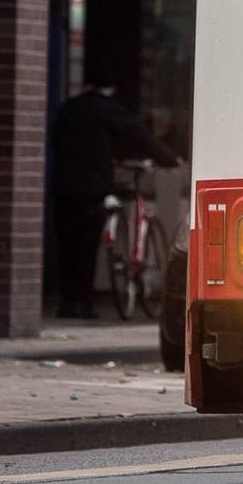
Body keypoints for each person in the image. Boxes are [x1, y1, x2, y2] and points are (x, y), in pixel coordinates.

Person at [50, 80, 179, 320]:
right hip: (92, 187)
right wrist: (169, 158)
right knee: (86, 246)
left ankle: (67, 301)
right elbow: (139, 136)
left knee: (66, 244)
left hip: (63, 186)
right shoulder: (106, 110)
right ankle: (83, 303)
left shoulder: (67, 109)